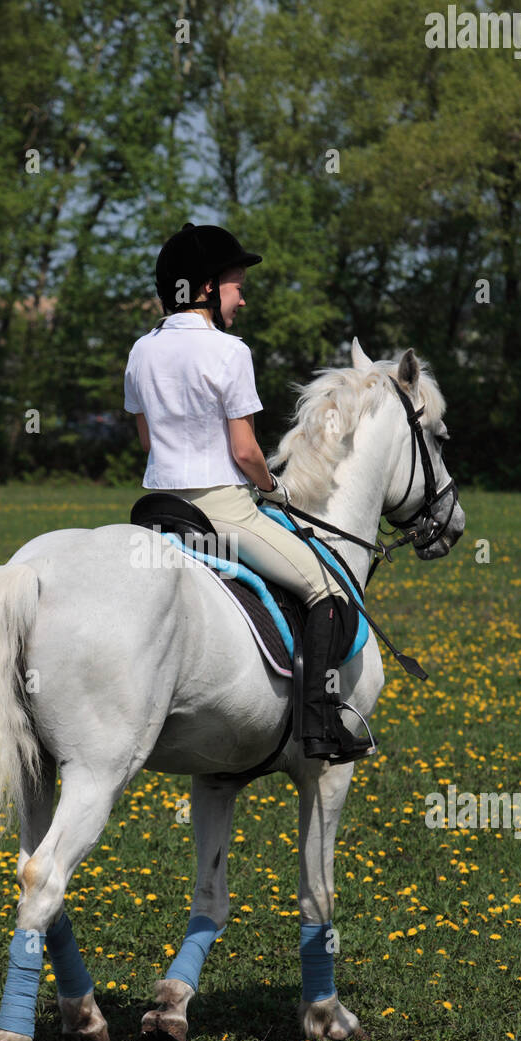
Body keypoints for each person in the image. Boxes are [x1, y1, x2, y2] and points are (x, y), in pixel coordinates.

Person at [123, 221, 373, 763]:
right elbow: (245, 452)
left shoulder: (141, 351)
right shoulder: (229, 352)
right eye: (238, 285)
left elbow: (147, 440)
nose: (244, 298)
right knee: (329, 590)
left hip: (156, 512)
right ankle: (318, 725)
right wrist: (274, 487)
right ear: (209, 288)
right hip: (222, 512)